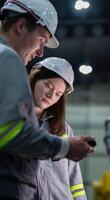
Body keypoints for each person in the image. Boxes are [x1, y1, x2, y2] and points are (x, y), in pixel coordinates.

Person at [0, 0, 94, 199]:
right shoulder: (2, 57)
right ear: (21, 26)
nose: (40, 52)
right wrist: (66, 147)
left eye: (59, 94)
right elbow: (8, 132)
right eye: (42, 41)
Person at [29, 57, 87, 200]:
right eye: (48, 85)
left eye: (58, 94)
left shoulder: (63, 129)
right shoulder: (14, 120)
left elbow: (75, 179)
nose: (51, 95)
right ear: (35, 78)